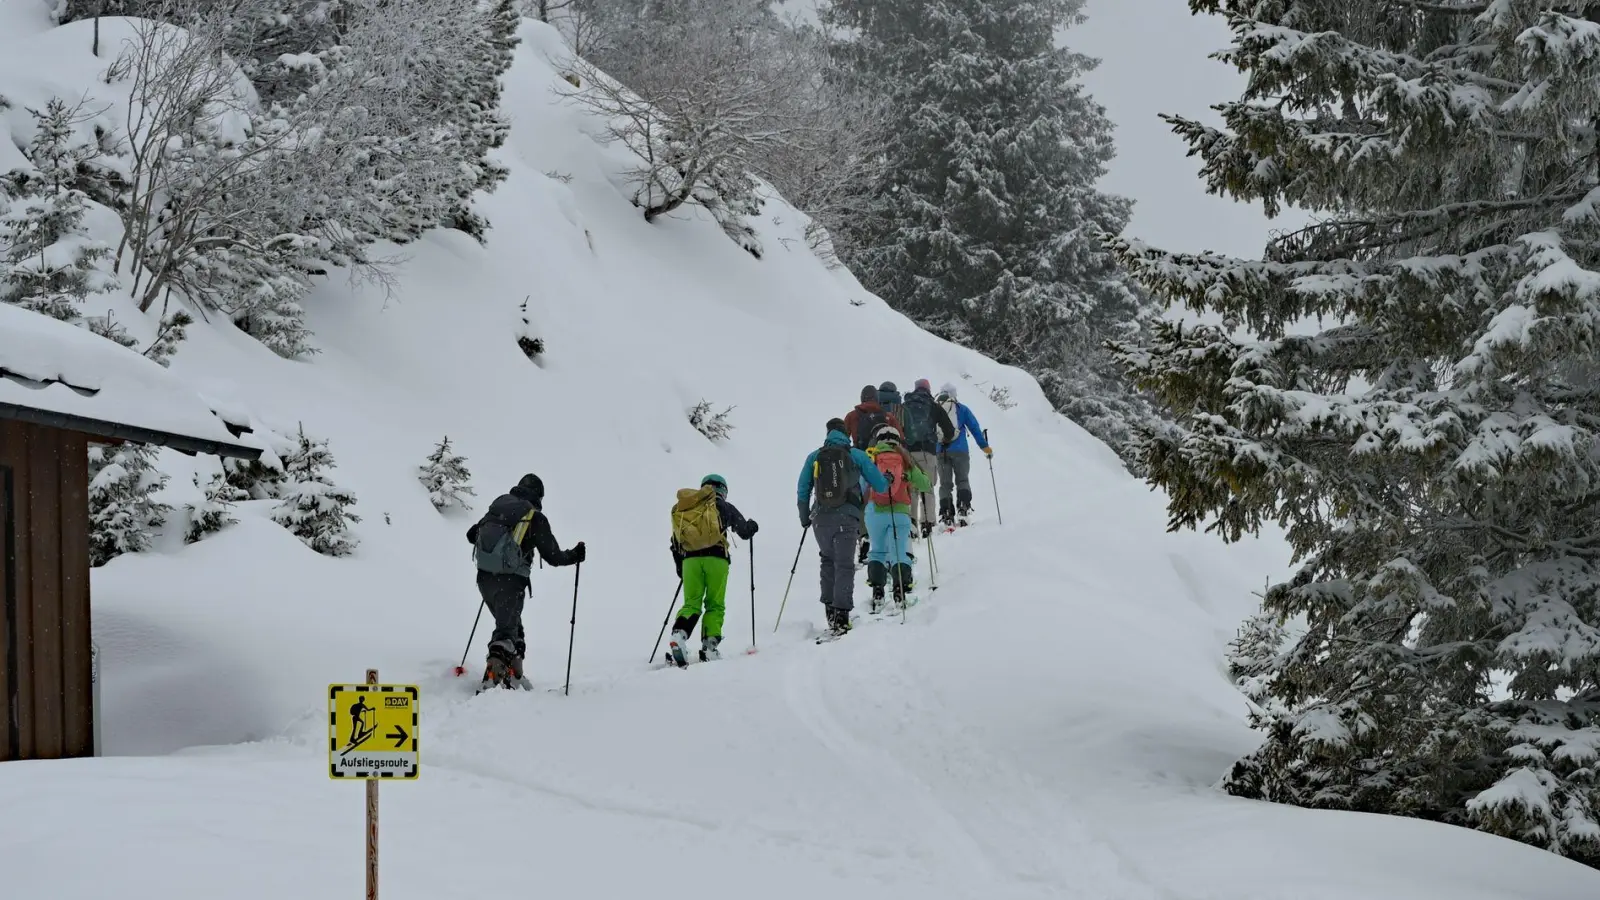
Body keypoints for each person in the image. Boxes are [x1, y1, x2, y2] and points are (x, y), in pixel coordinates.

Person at [465, 473, 587, 690]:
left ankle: (514, 675)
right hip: (510, 582)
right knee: (506, 633)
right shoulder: (534, 517)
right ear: (539, 496)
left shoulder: (499, 504)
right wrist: (575, 555)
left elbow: (471, 534)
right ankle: (494, 683)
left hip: (484, 579)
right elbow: (554, 557)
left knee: (513, 628)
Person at [797, 417, 890, 637]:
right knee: (845, 565)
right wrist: (885, 479)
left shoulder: (814, 457)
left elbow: (803, 489)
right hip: (847, 517)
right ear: (845, 434)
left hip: (820, 519)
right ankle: (841, 615)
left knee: (827, 561)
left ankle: (830, 611)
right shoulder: (856, 455)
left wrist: (804, 517)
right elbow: (879, 484)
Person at [667, 474, 759, 666]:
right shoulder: (722, 506)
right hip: (716, 559)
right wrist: (751, 526)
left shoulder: (687, 508)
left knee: (691, 603)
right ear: (723, 490)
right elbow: (744, 531)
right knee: (715, 604)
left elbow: (675, 542)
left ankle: (679, 635)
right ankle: (709, 646)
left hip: (690, 561)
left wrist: (681, 568)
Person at [863, 424, 932, 609]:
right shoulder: (905, 460)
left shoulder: (871, 458)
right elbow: (925, 484)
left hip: (875, 511)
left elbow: (862, 484)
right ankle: (900, 591)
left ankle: (878, 591)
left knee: (877, 550)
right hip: (900, 512)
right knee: (899, 551)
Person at [843, 384, 901, 564]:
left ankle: (865, 537)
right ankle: (886, 543)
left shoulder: (852, 416)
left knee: (862, 502)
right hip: (883, 464)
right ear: (876, 398)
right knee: (882, 499)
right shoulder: (887, 416)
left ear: (862, 398)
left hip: (861, 463)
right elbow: (900, 438)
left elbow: (844, 443)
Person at [900, 378, 956, 537]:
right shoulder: (933, 406)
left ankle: (911, 522)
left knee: (911, 488)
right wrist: (943, 441)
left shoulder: (905, 406)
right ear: (928, 389)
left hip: (908, 453)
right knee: (927, 487)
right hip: (928, 452)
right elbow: (949, 430)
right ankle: (927, 523)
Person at [936, 383, 991, 527]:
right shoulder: (961, 409)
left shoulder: (934, 409)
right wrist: (985, 447)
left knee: (945, 484)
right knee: (962, 480)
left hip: (941, 451)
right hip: (960, 450)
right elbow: (974, 428)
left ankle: (946, 513)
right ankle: (963, 508)